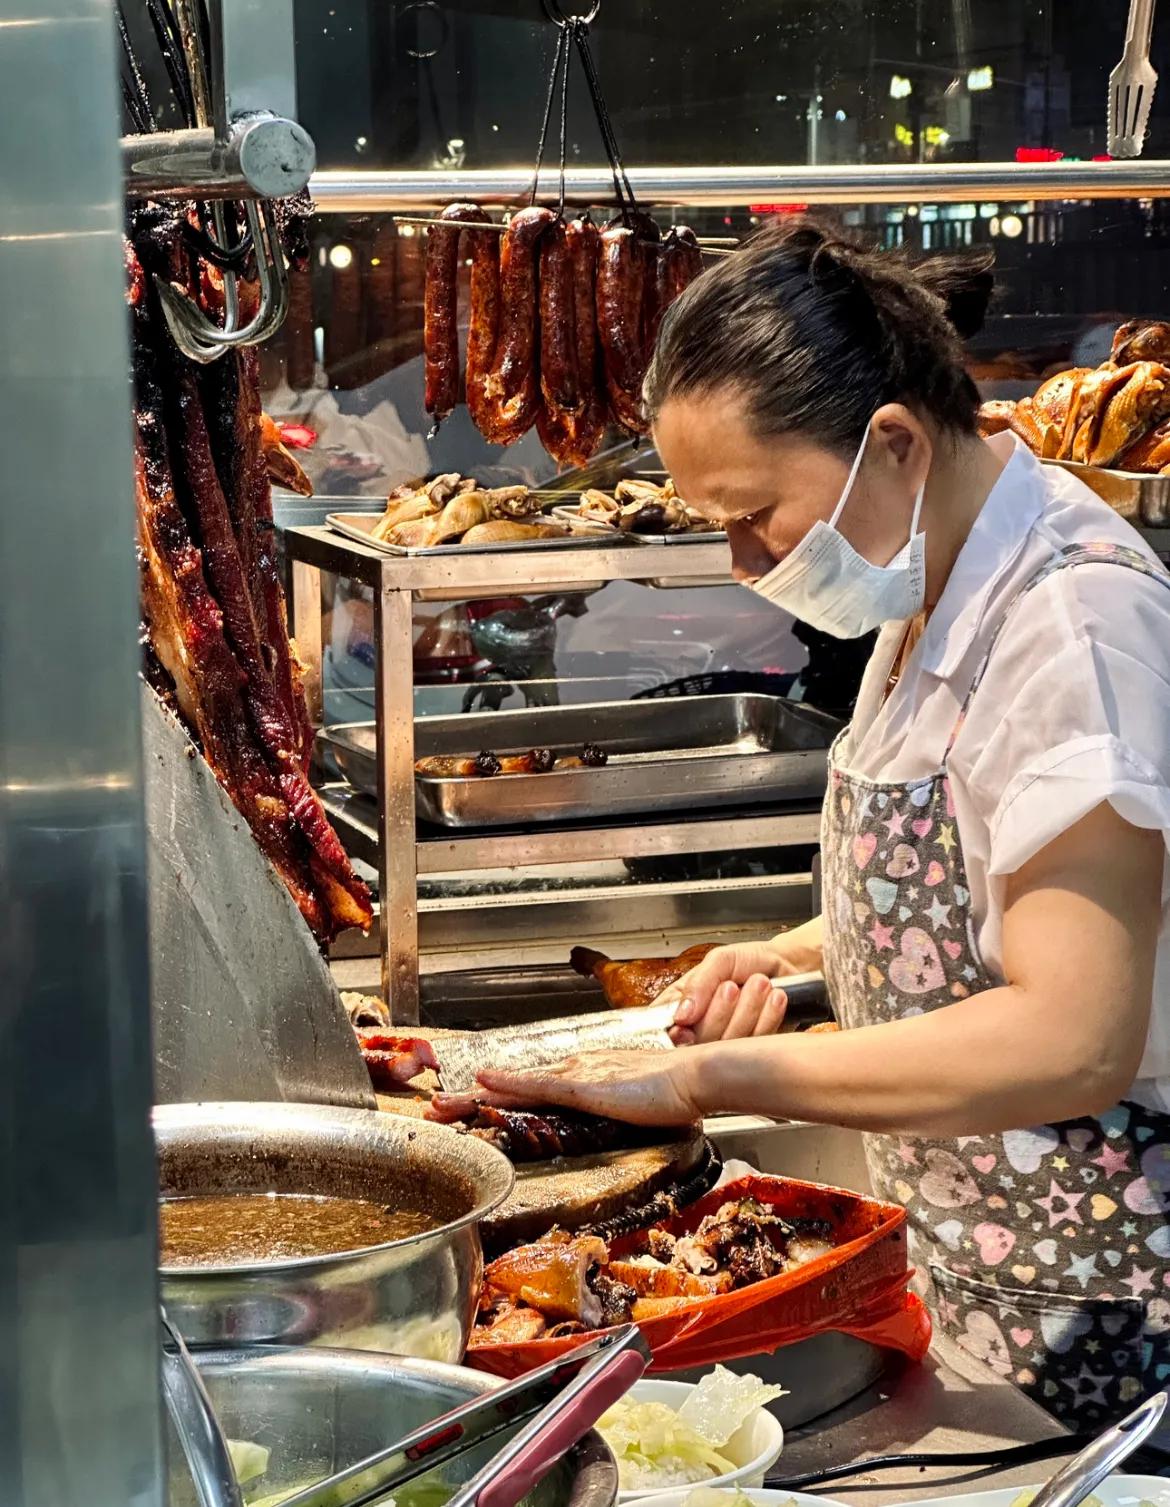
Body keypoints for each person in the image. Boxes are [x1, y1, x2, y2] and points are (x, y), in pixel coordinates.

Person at [434, 220, 1170, 1425]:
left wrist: (713, 1078)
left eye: (753, 511)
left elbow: (1073, 1033)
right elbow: (980, 878)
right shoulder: (940, 577)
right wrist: (785, 954)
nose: (742, 559)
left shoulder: (1074, 628)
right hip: (979, 1281)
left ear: (893, 442)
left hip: (1104, 1321)